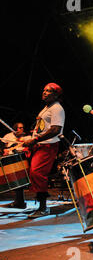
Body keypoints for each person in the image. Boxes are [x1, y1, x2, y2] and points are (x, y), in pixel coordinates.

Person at [4, 83, 65, 216]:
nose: (44, 92)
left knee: (37, 173)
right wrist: (29, 137)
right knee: (21, 168)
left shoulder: (57, 109)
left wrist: (35, 140)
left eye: (48, 91)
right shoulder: (46, 108)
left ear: (56, 95)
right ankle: (19, 201)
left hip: (47, 146)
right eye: (44, 90)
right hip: (38, 145)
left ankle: (43, 207)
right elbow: (42, 128)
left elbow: (56, 129)